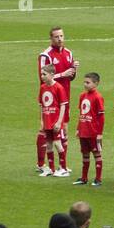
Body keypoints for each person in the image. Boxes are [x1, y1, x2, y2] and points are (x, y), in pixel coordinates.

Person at [37, 27, 78, 177]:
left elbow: (71, 77)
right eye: (56, 37)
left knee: (63, 130)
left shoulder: (69, 53)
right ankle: (41, 164)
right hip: (50, 100)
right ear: (51, 38)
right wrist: (63, 74)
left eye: (61, 36)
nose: (59, 39)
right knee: (46, 131)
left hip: (64, 97)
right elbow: (42, 77)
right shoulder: (45, 55)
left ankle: (63, 166)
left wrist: (74, 71)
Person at [72, 72, 105, 187]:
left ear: (96, 83)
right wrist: (78, 128)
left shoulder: (98, 97)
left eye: (88, 82)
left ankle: (98, 179)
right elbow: (81, 113)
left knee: (97, 154)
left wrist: (99, 133)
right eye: (84, 82)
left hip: (93, 132)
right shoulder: (82, 96)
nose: (85, 84)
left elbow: (101, 117)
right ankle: (84, 178)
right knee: (85, 155)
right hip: (83, 131)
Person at [38, 65, 69, 178]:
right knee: (49, 145)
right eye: (41, 74)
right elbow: (41, 105)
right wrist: (41, 120)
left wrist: (59, 122)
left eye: (44, 74)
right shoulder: (42, 87)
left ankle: (63, 168)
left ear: (52, 74)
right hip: (47, 121)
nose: (42, 76)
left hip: (55, 121)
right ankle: (51, 169)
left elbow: (63, 106)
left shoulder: (59, 87)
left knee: (57, 144)